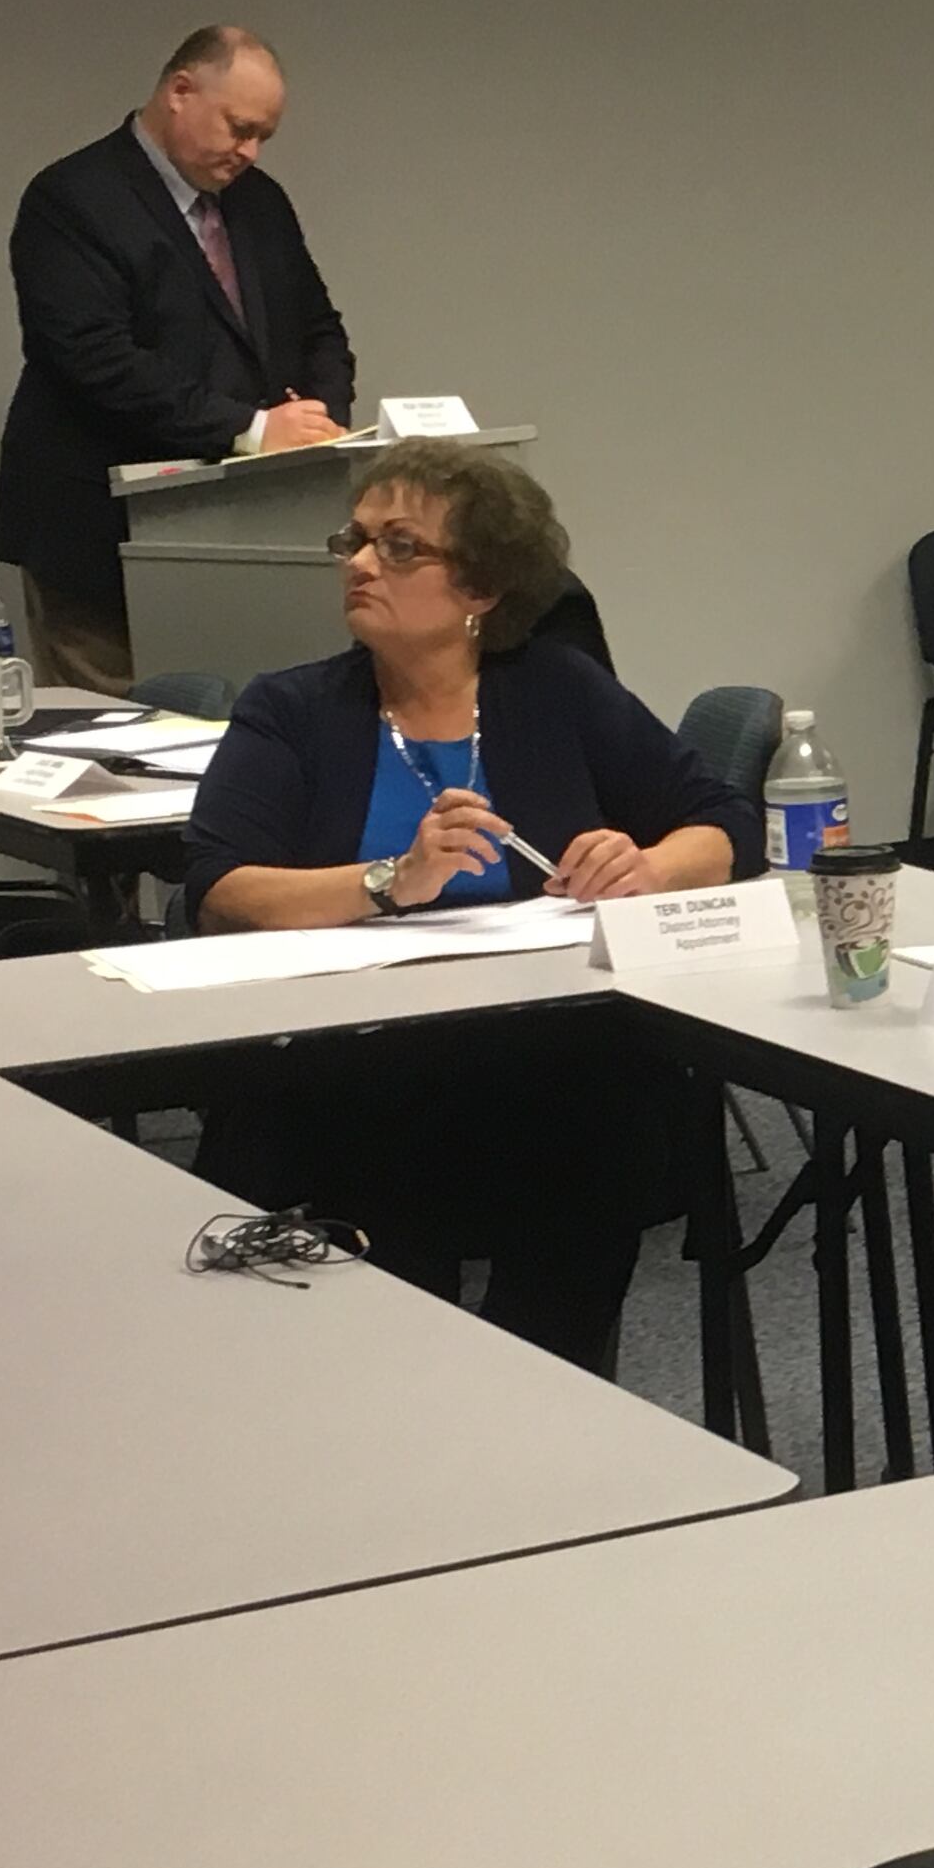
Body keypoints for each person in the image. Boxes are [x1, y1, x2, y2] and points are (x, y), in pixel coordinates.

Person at [183, 441, 759, 1370]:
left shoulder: (557, 691)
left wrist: (648, 866)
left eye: (399, 547)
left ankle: (554, 1404)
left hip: (550, 1060)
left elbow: (725, 823)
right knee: (394, 1286)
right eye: (354, 540)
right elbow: (220, 889)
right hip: (356, 1066)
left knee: (594, 1140)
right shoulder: (293, 709)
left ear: (481, 590)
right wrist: (387, 882)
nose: (361, 563)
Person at [0, 26, 357, 696]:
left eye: (263, 137)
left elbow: (318, 327)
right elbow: (94, 360)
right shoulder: (72, 198)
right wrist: (251, 429)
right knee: (111, 736)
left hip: (241, 534)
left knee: (231, 725)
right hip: (99, 537)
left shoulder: (261, 202)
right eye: (240, 128)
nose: (249, 152)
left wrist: (319, 424)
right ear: (181, 91)